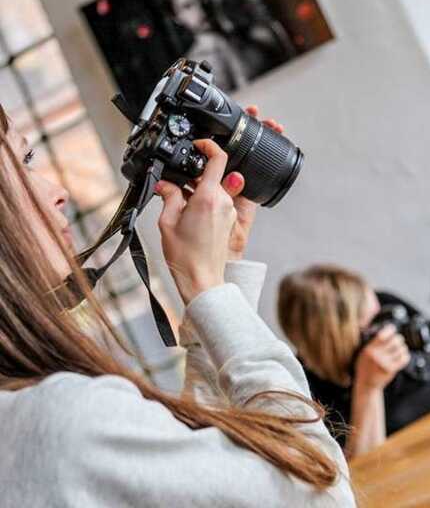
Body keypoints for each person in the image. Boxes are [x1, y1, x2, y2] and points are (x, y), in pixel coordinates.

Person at [0, 103, 355, 507]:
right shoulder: (61, 422)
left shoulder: (22, 415)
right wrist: (210, 291)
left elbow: (194, 477)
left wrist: (219, 278)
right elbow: (318, 494)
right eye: (20, 162)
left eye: (29, 157)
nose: (57, 192)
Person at [278, 265, 430, 458]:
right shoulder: (305, 397)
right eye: (375, 322)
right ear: (339, 341)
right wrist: (368, 387)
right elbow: (364, 477)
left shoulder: (386, 305)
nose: (392, 328)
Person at [169, 0, 248, 91]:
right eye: (187, 6)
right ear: (177, 17)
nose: (200, 9)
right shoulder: (191, 67)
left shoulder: (257, 36)